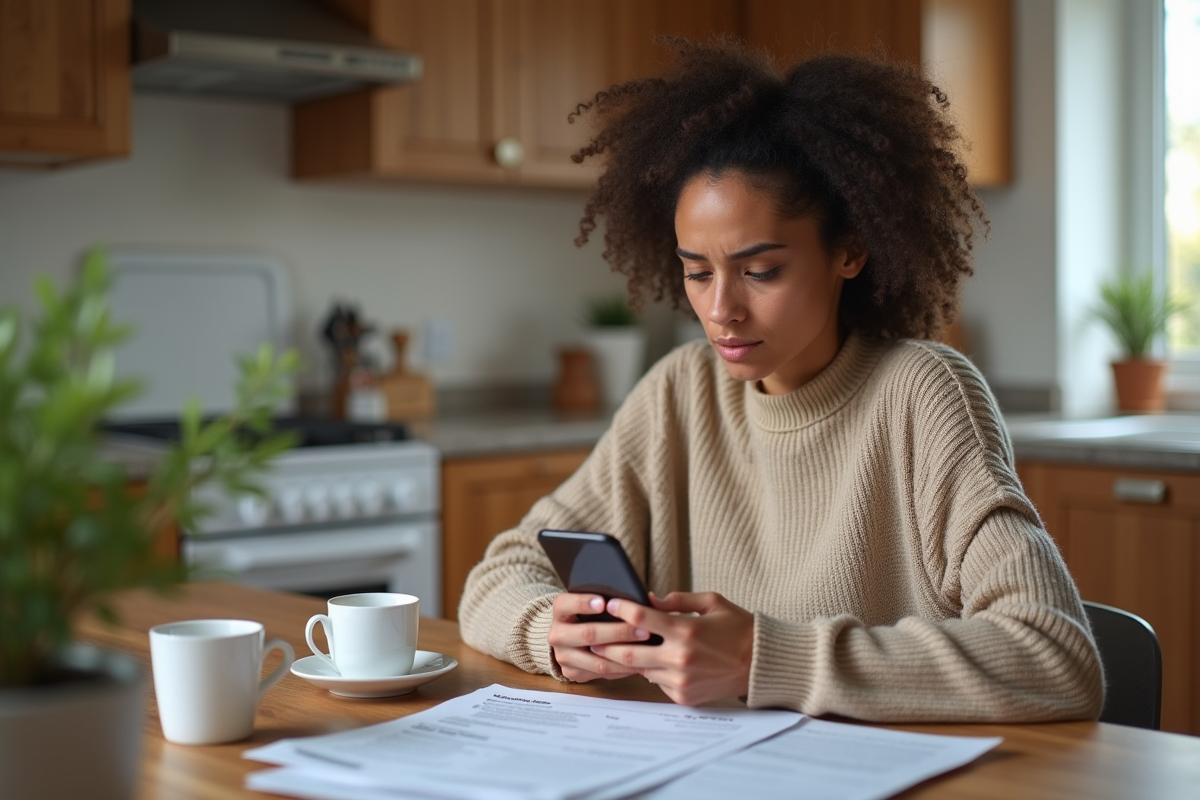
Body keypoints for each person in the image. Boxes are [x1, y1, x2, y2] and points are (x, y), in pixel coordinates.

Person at [459, 38, 1104, 722]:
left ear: (849, 250)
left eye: (760, 271)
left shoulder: (924, 393)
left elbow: (1054, 656)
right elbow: (496, 577)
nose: (720, 310)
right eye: (698, 272)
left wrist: (757, 658)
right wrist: (552, 633)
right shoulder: (681, 392)